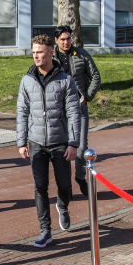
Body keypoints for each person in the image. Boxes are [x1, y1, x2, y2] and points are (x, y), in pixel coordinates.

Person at [17, 34, 81, 248]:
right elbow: (22, 111)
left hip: (60, 141)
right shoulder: (27, 80)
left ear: (51, 52)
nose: (35, 55)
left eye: (40, 52)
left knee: (64, 183)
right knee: (40, 186)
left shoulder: (65, 79)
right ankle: (45, 230)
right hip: (36, 141)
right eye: (34, 51)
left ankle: (62, 205)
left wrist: (73, 142)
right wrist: (21, 141)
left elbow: (73, 112)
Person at [53, 25, 101, 197]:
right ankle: (64, 186)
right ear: (56, 40)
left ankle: (80, 177)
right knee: (61, 149)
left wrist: (87, 96)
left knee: (81, 147)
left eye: (68, 38)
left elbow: (95, 76)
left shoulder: (81, 54)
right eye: (63, 39)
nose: (66, 42)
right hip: (58, 109)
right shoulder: (51, 57)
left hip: (79, 106)